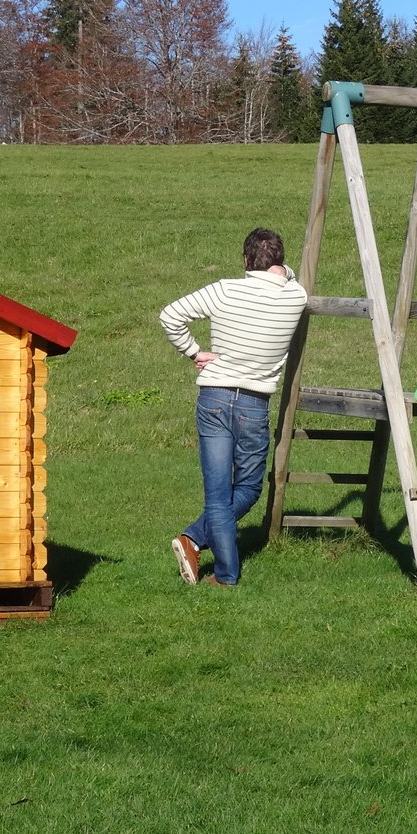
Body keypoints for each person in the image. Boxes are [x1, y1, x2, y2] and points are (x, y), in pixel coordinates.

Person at [159, 227, 307, 586]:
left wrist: (195, 352)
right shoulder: (295, 296)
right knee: (249, 489)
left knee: (217, 494)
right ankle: (199, 546)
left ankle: (214, 561)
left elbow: (170, 315)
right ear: (280, 263)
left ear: (245, 260)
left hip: (213, 397)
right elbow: (288, 277)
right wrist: (282, 270)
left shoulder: (224, 289)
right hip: (254, 405)